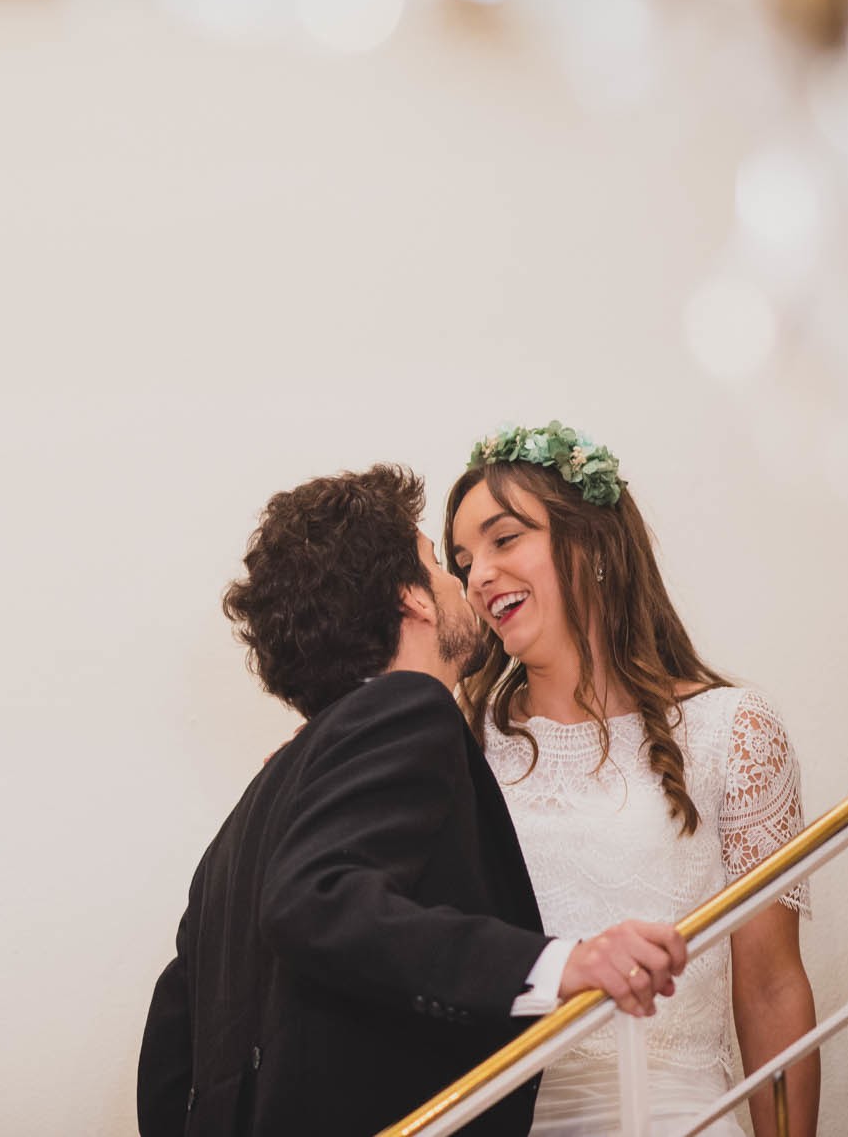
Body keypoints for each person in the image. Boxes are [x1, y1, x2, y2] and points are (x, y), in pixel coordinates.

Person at [139, 465, 689, 1137]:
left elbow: (169, 1064)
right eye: (439, 562)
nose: (463, 583)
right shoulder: (412, 706)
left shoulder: (240, 826)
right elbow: (315, 898)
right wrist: (556, 963)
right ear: (414, 600)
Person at [445, 424, 819, 1137]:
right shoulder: (461, 743)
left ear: (590, 544)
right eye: (464, 561)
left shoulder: (730, 730)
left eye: (503, 539)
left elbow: (771, 988)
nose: (478, 576)